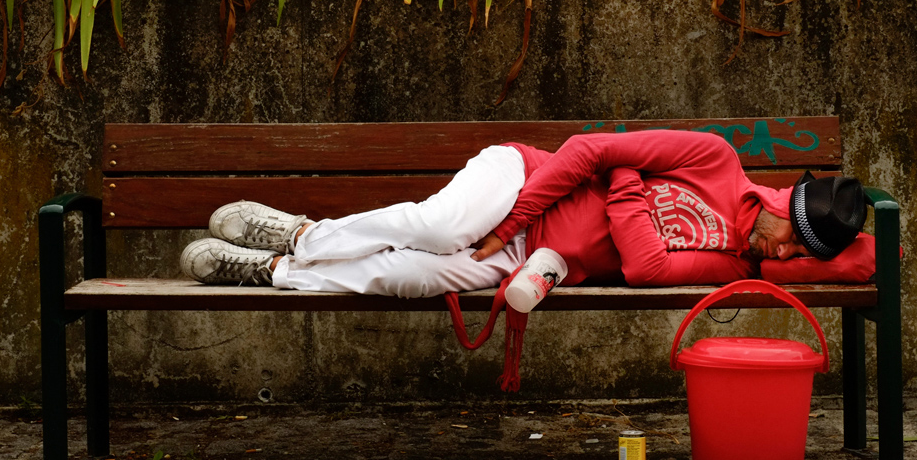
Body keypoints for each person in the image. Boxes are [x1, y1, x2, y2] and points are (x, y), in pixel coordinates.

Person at [179, 130, 868, 296]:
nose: (782, 257)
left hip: (537, 260)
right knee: (443, 226)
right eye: (789, 241)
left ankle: (271, 268)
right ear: (781, 203)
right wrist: (508, 222)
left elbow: (643, 264)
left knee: (401, 279)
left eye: (797, 259)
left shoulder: (731, 262)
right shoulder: (713, 158)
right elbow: (582, 148)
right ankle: (300, 232)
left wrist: (624, 182)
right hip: (520, 184)